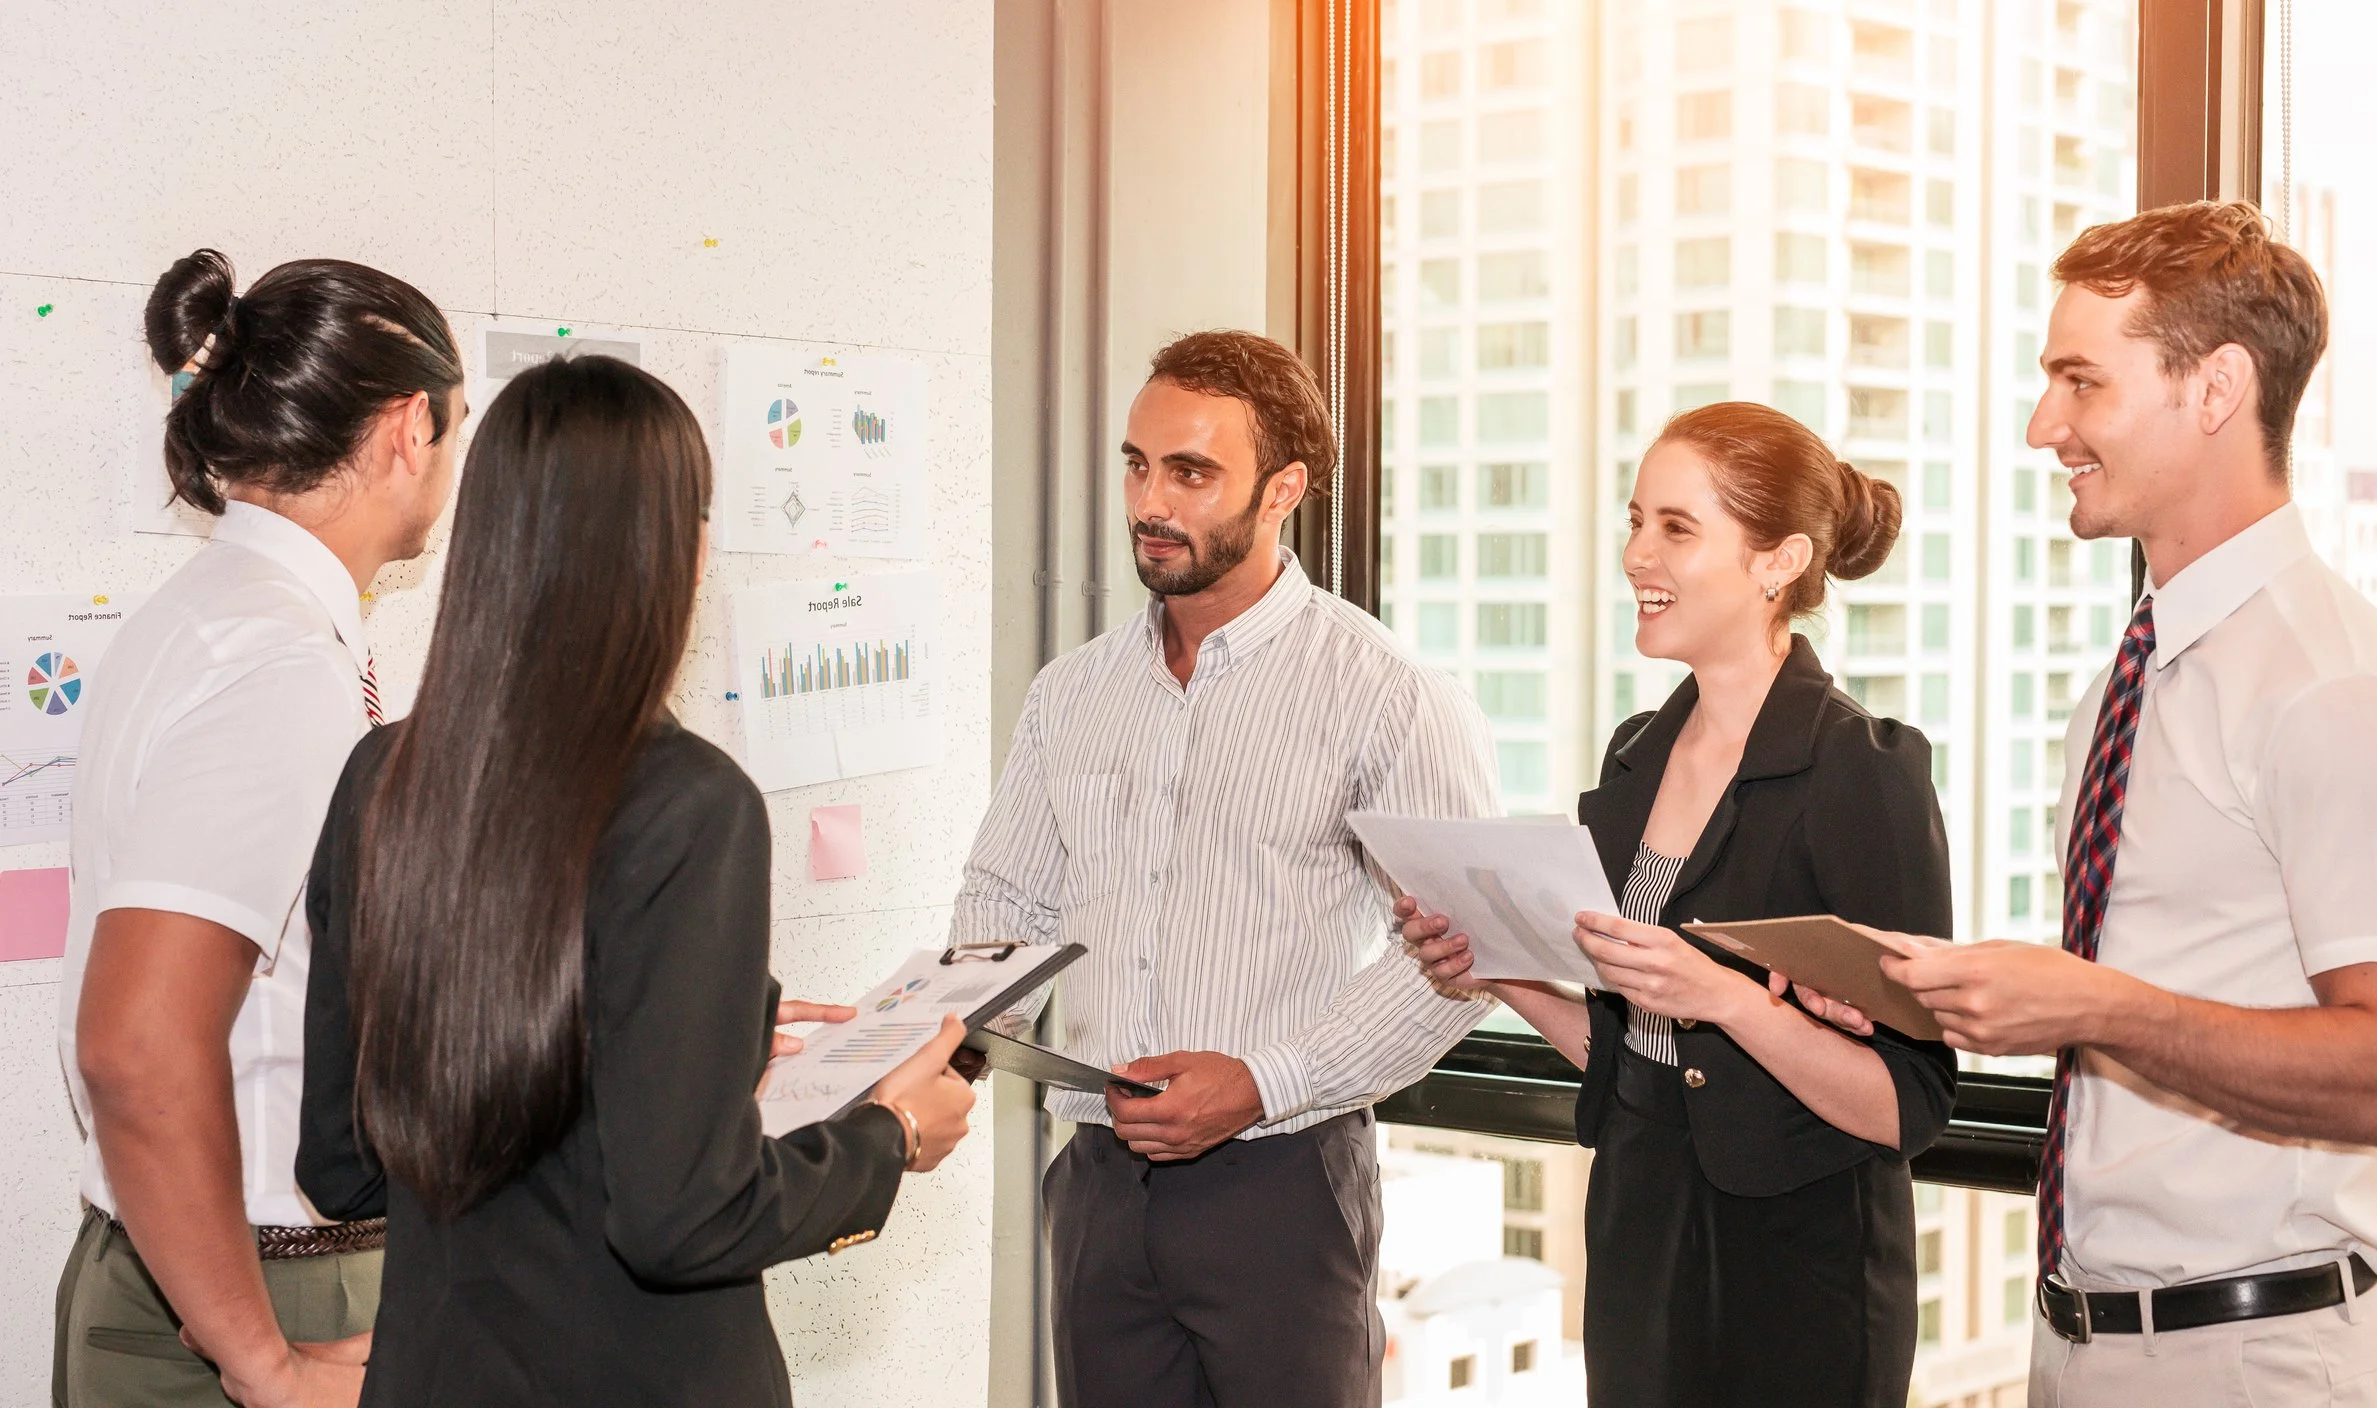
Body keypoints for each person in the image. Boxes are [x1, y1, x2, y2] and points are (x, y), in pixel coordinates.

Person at [292, 353, 975, 1406]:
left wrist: (707, 1029)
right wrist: (889, 1135)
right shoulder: (688, 804)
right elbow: (681, 1218)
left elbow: (344, 1162)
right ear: (679, 551)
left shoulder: (382, 775)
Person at [1882, 201, 2377, 1405]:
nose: (2045, 424)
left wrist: (2094, 1005)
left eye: (2080, 383)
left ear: (2214, 390)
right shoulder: (2132, 673)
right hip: (2085, 1342)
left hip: (2255, 1362)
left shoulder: (2339, 687)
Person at [949, 329, 1502, 1407]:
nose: (1150, 501)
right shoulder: (1072, 692)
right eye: (1137, 463)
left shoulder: (1384, 691)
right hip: (1099, 1185)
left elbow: (1461, 959)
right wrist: (953, 1032)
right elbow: (1005, 898)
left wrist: (1262, 1083)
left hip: (1283, 1187)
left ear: (1283, 487)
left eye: (1192, 472)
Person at [1399, 401, 1956, 1407]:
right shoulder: (1634, 755)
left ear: (1777, 560)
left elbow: (1904, 1105)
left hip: (1800, 1270)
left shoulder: (1859, 769)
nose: (1635, 554)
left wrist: (1731, 1000)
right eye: (1634, 520)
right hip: (1637, 1224)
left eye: (1675, 527)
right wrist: (1501, 973)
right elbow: (1637, 1058)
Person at [54, 249, 467, 1408]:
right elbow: (136, 1044)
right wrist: (264, 1362)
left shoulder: (210, 617)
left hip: (181, 1264)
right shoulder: (280, 662)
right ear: (408, 426)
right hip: (263, 1290)